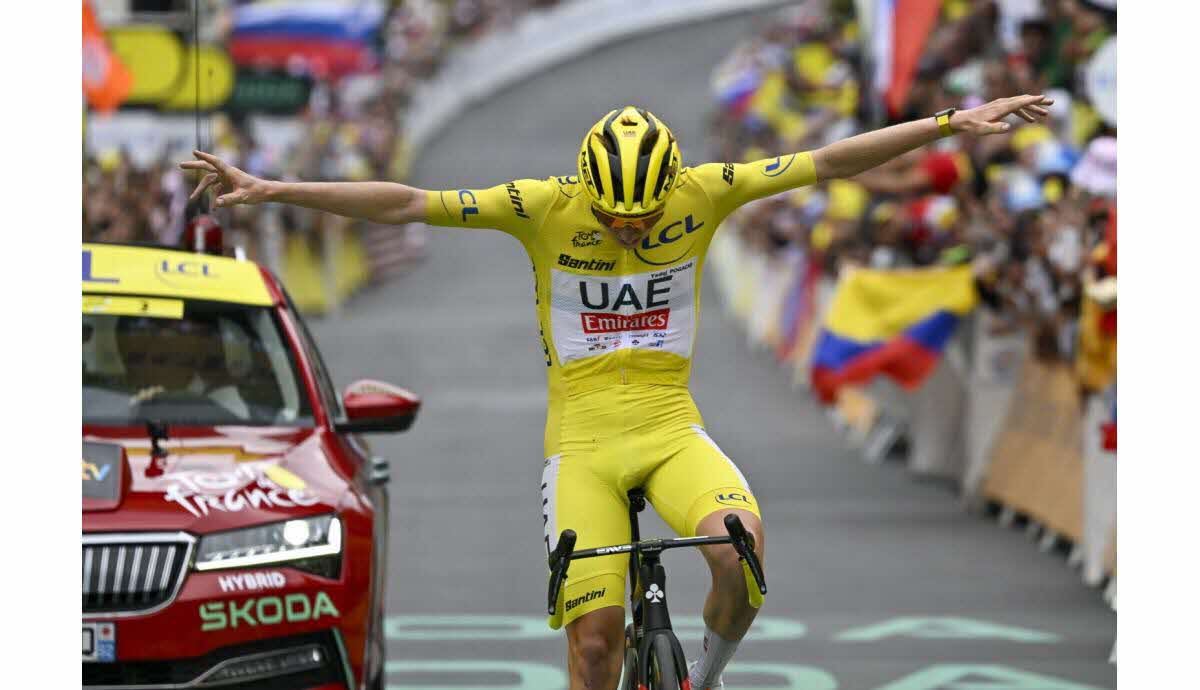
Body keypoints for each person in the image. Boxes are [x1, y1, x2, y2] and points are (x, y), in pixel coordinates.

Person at [181, 94, 1051, 690]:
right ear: (584, 187)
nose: (630, 229)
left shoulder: (706, 192)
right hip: (585, 443)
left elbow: (831, 160)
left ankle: (703, 677)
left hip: (673, 427)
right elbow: (408, 201)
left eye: (644, 218)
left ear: (670, 186)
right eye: (613, 217)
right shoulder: (542, 203)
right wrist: (275, 187)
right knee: (593, 646)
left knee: (740, 552)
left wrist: (949, 122)